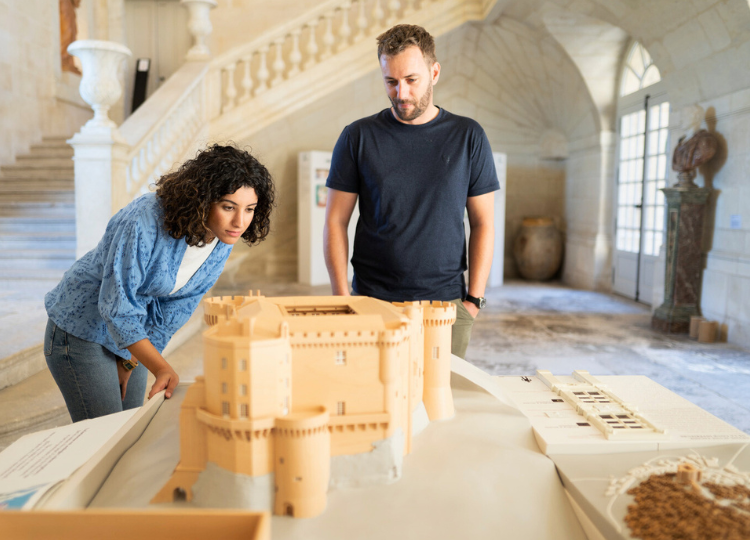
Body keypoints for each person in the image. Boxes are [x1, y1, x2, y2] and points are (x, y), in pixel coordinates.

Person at [44, 144, 275, 422]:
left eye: (250, 209)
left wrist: (131, 360)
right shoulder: (143, 220)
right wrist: (162, 367)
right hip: (82, 326)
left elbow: (175, 309)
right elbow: (116, 305)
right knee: (103, 439)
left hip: (134, 328)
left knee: (128, 430)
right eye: (228, 207)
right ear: (204, 199)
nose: (240, 221)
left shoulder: (223, 236)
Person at [324, 24, 499, 358]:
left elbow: (483, 223)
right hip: (371, 301)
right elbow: (335, 221)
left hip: (445, 305)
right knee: (373, 401)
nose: (400, 93)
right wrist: (342, 298)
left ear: (434, 72)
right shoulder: (357, 137)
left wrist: (473, 301)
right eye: (391, 81)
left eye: (411, 80)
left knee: (439, 403)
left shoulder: (468, 136)